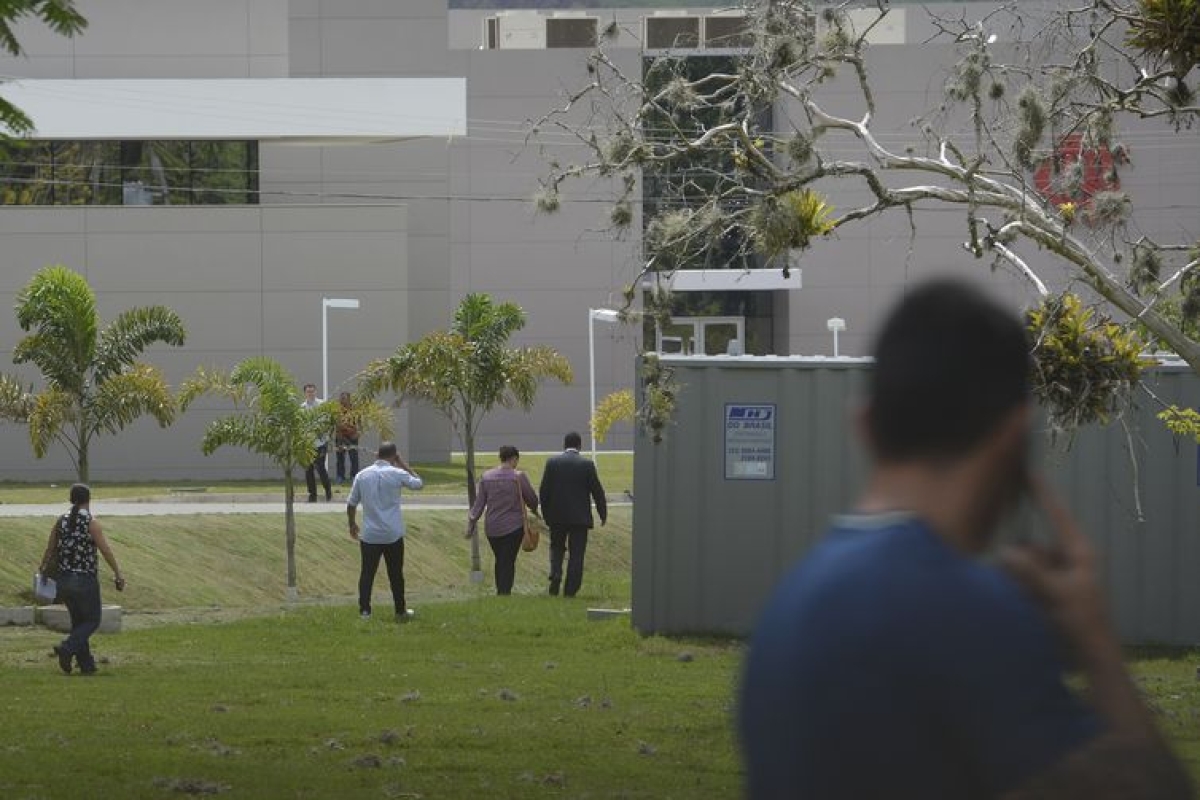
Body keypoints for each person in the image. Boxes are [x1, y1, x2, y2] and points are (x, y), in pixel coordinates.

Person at [738, 280, 1192, 799]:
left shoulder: (785, 609)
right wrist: (1097, 644)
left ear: (864, 425)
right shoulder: (971, 612)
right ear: (1013, 435)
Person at [38, 483, 125, 675]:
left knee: (79, 622)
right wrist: (118, 572)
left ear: (71, 499)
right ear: (89, 499)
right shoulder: (91, 523)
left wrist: (43, 569)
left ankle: (86, 665)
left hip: (63, 580)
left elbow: (50, 549)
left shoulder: (60, 521)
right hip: (84, 579)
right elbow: (105, 550)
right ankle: (67, 648)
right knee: (92, 620)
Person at [346, 441, 423, 621]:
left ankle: (365, 611)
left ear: (377, 455)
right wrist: (403, 464)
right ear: (394, 456)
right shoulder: (397, 473)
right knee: (396, 574)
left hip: (370, 534)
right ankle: (400, 610)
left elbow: (351, 503)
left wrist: (352, 523)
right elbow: (418, 484)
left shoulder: (362, 475)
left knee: (367, 573)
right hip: (392, 534)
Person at [538, 431, 606, 597]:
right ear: (579, 445)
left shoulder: (552, 463)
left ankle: (556, 573)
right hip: (579, 518)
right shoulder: (587, 465)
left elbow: (544, 491)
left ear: (564, 444)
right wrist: (602, 513)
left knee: (556, 547)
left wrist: (546, 514)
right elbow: (597, 492)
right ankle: (570, 589)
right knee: (577, 554)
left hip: (557, 516)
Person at [467, 445, 540, 595]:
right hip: (513, 526)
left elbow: (479, 504)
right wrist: (534, 508)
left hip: (492, 527)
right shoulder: (518, 477)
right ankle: (504, 592)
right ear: (514, 459)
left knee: (501, 558)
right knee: (507, 560)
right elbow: (532, 499)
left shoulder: (486, 477)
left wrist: (472, 522)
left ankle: (501, 591)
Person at [301, 382, 332, 502]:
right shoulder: (302, 408)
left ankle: (328, 491)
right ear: (305, 393)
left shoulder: (322, 405)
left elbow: (327, 421)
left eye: (312, 391)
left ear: (315, 392)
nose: (311, 393)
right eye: (308, 392)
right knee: (308, 470)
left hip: (321, 442)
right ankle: (312, 495)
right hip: (308, 444)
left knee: (320, 468)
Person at [335, 391, 360, 485]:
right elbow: (336, 424)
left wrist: (358, 433)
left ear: (349, 399)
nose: (342, 400)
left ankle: (354, 476)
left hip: (352, 437)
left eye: (344, 398)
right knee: (340, 458)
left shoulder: (354, 410)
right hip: (340, 437)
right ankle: (340, 476)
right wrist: (339, 435)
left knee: (354, 458)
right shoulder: (337, 410)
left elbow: (359, 423)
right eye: (341, 398)